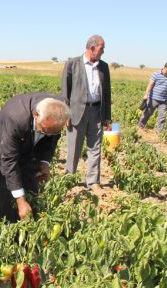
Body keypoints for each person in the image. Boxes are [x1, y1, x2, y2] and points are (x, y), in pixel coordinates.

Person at [0, 93, 70, 221]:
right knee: (4, 191)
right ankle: (0, 228)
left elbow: (51, 138)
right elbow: (8, 160)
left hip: (29, 149)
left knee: (31, 189)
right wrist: (20, 201)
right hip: (4, 150)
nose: (48, 135)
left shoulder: (60, 109)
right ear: (36, 115)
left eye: (52, 132)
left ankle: (26, 231)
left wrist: (44, 162)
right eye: (44, 130)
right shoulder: (15, 117)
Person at [61, 35, 111, 191]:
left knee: (95, 147)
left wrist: (107, 116)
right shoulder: (72, 64)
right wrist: (65, 114)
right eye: (101, 49)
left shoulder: (103, 66)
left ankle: (93, 181)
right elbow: (65, 91)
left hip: (96, 111)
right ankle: (69, 178)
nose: (103, 52)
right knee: (74, 147)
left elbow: (107, 92)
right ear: (92, 48)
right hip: (76, 111)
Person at [137, 62, 167, 132]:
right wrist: (146, 95)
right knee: (147, 113)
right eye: (166, 70)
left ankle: (159, 131)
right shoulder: (156, 74)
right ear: (164, 68)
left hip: (163, 100)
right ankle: (140, 127)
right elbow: (150, 85)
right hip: (153, 98)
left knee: (162, 116)